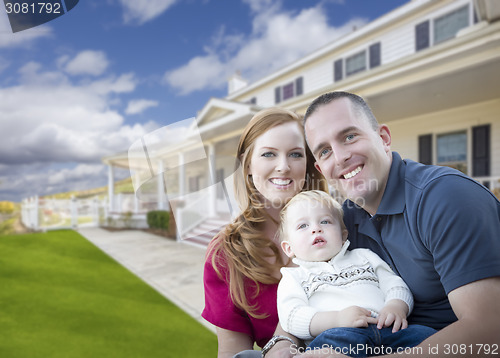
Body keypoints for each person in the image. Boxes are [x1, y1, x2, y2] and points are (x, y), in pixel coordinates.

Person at [266, 90, 500, 357]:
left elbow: (490, 329)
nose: (340, 157)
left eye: (349, 136)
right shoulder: (343, 222)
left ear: (384, 138)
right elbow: (307, 284)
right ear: (321, 168)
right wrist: (281, 344)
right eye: (325, 151)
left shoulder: (445, 197)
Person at [202, 108, 327, 357]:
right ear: (247, 164)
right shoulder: (225, 255)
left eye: (295, 154)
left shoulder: (339, 227)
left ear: (307, 164)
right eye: (269, 154)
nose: (283, 166)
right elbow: (233, 352)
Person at [276, 190, 435, 357]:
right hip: (339, 335)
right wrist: (337, 319)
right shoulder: (293, 277)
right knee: (323, 351)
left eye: (325, 221)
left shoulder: (364, 256)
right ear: (289, 248)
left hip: (388, 328)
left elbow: (394, 283)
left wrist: (396, 305)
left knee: (428, 337)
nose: (316, 229)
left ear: (343, 235)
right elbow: (292, 316)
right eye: (303, 226)